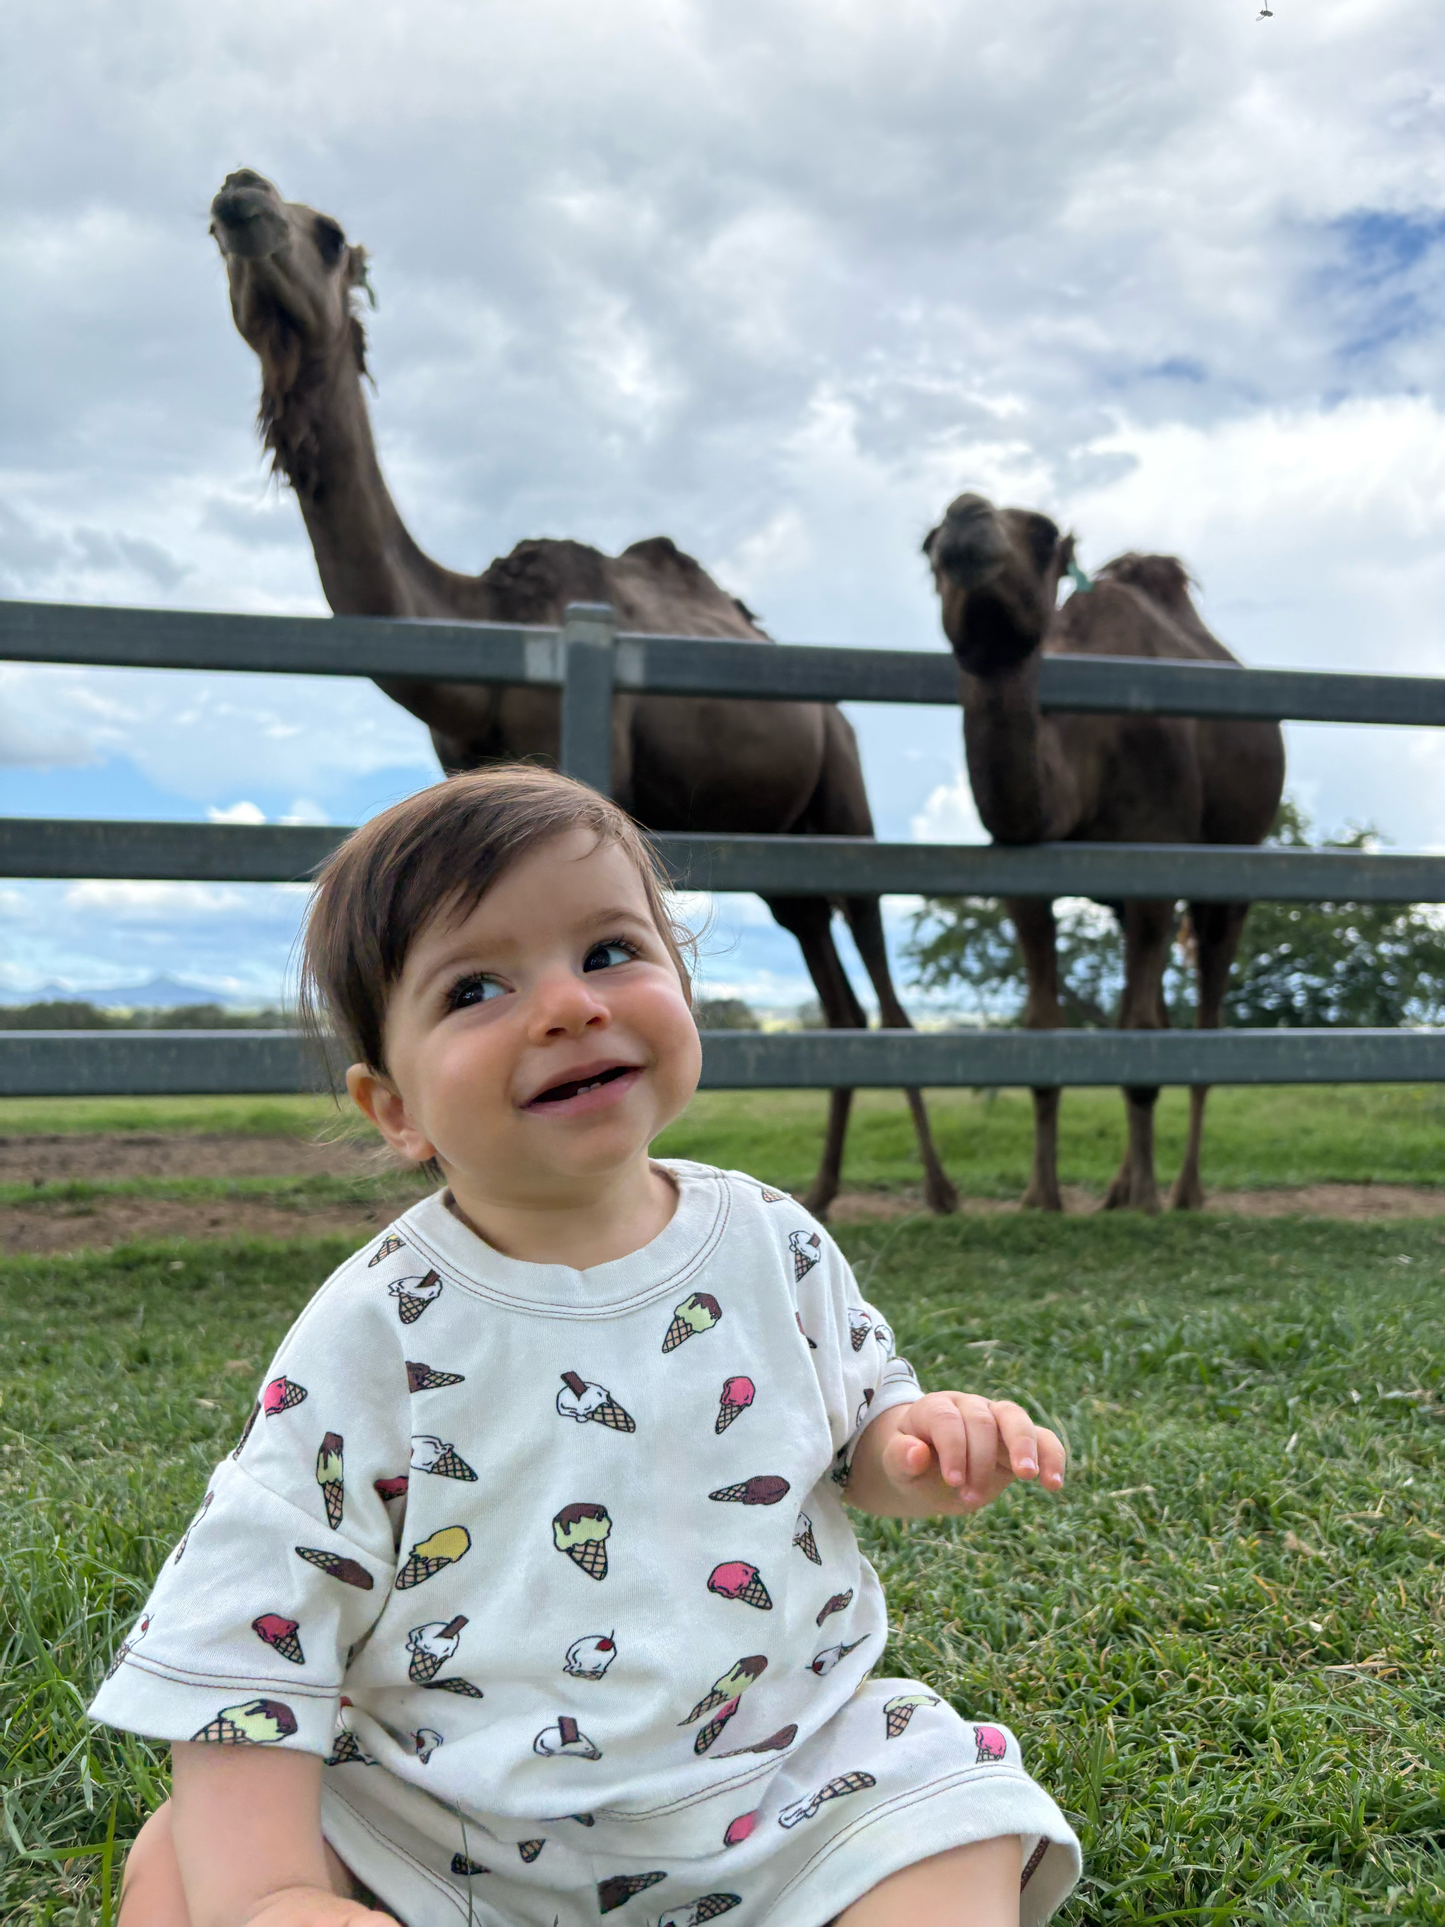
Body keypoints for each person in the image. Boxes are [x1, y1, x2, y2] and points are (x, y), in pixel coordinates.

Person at [93, 766, 1081, 1927]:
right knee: (178, 1873)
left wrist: (913, 1443)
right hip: (438, 1819)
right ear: (393, 1108)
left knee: (948, 1829)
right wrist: (268, 1894)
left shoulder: (774, 1244)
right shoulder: (377, 1323)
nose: (565, 1005)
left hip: (776, 1784)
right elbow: (257, 1606)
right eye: (475, 986)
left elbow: (852, 1433)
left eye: (609, 951)